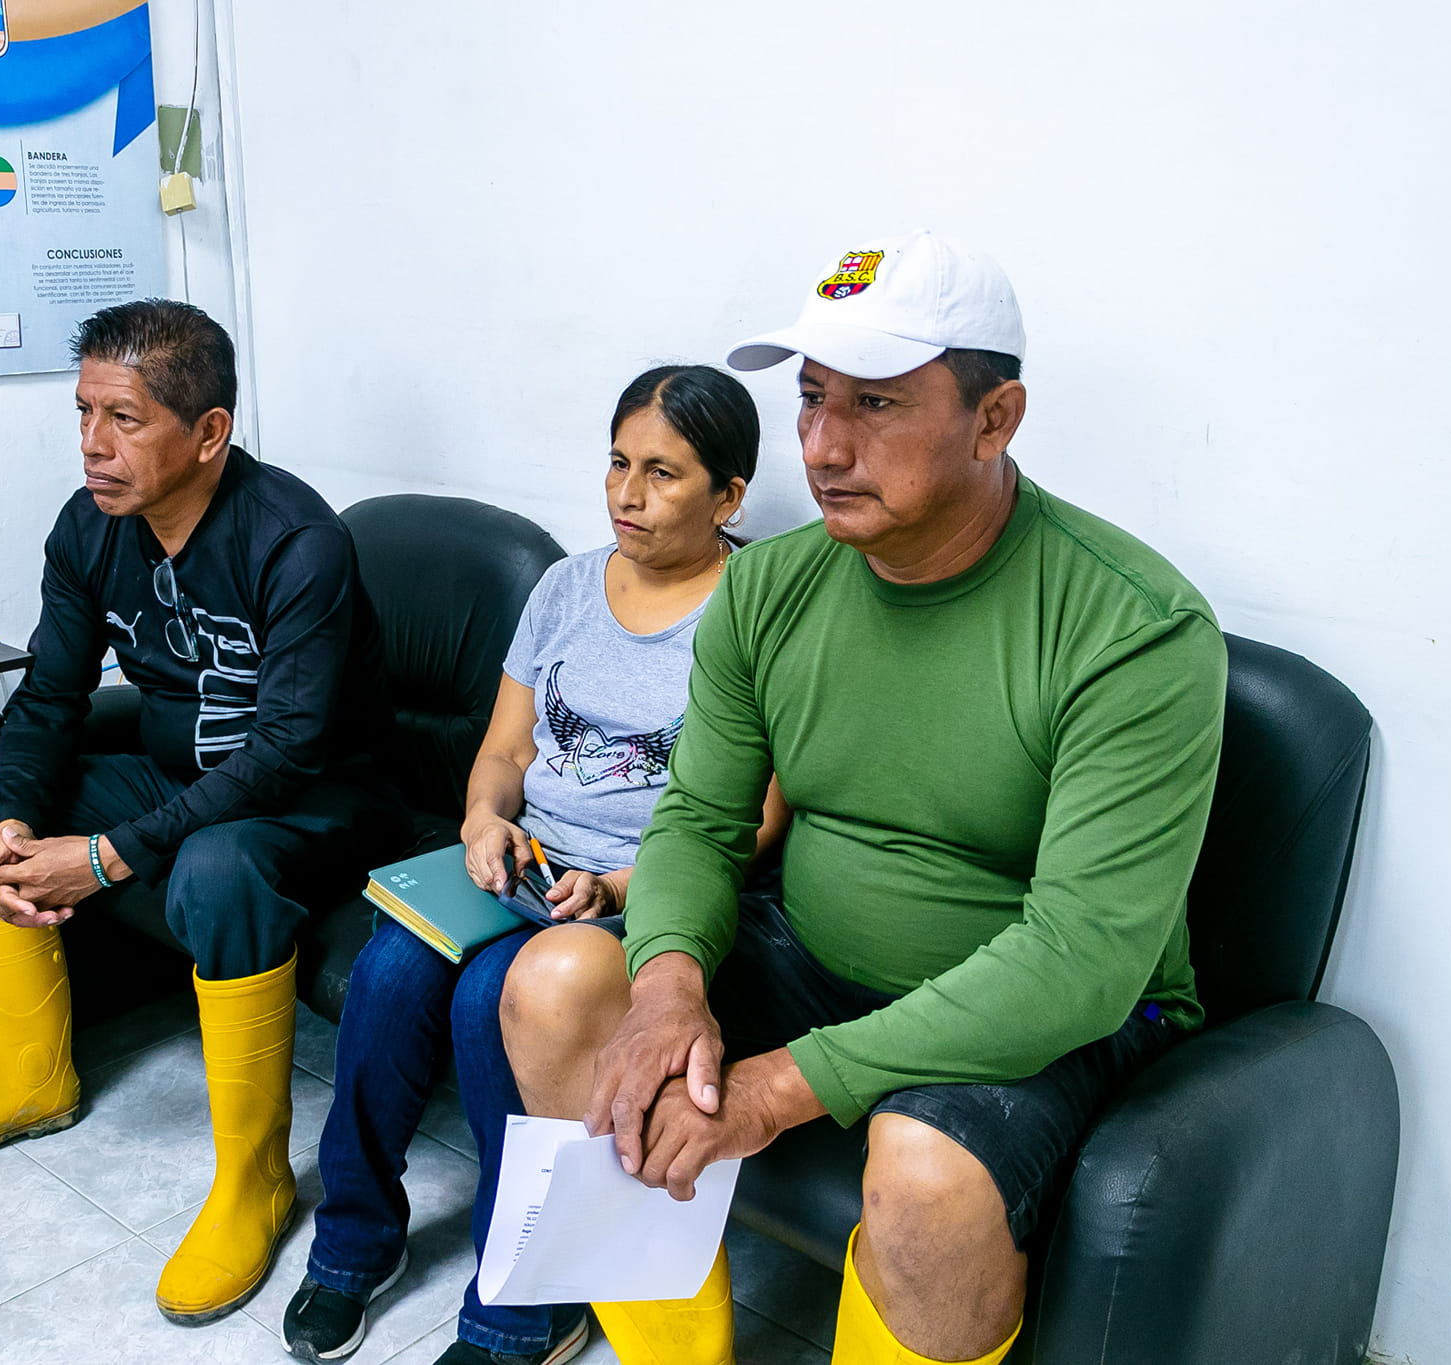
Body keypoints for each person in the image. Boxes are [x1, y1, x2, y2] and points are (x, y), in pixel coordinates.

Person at [501, 231, 1228, 1365]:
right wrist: (669, 984)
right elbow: (700, 820)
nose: (824, 447)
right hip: (812, 952)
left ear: (994, 419)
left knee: (925, 1173)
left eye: (877, 404)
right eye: (810, 399)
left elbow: (1081, 957)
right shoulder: (771, 587)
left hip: (1041, 1009)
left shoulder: (1133, 627)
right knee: (554, 988)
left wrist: (780, 1087)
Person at [0, 299, 411, 1327]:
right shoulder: (90, 525)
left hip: (323, 802)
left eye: (124, 418)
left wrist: (106, 858)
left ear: (209, 432)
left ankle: (254, 1178)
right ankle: (24, 1081)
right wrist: (15, 823)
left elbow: (285, 753)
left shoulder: (295, 541)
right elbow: (50, 696)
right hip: (182, 785)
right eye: (84, 413)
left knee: (216, 865)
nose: (93, 444)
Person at [280, 366, 790, 1365]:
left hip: (645, 889)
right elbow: (507, 750)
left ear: (729, 496)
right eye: (617, 463)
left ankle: (522, 1303)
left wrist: (619, 888)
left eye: (662, 473)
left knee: (487, 1003)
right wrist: (482, 821)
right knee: (387, 971)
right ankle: (353, 1244)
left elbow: (759, 818)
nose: (626, 494)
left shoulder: (756, 612)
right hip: (525, 862)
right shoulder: (564, 588)